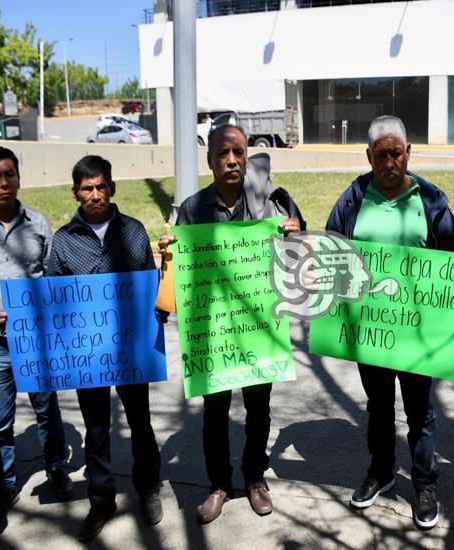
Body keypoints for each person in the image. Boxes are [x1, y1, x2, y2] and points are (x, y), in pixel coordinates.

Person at [325, 115, 454, 529]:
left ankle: (425, 483)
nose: (390, 162)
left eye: (397, 153)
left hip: (417, 331)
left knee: (419, 412)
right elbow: (331, 245)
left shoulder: (430, 199)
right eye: (381, 156)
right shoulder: (354, 197)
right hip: (370, 329)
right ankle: (380, 472)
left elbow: (453, 255)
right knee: (378, 407)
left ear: (409, 152)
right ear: (369, 157)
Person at [158, 122, 305, 524]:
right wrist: (169, 252)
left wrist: (295, 231)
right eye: (223, 153)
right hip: (215, 331)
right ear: (209, 160)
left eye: (238, 152)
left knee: (259, 408)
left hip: (258, 327)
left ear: (246, 156)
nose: (232, 160)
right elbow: (179, 277)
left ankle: (255, 479)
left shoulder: (269, 203)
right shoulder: (193, 209)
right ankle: (219, 484)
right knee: (215, 410)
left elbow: (296, 255)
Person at [47, 155, 163, 541]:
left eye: (100, 186)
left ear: (112, 188)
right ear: (75, 192)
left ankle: (149, 488)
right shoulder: (63, 241)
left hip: (130, 350)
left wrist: (156, 318)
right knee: (96, 430)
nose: (94, 194)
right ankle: (101, 501)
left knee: (140, 423)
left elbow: (149, 284)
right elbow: (54, 298)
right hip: (88, 353)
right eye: (87, 188)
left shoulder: (132, 231)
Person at [0, 146, 72, 531]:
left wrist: (29, 312)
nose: (5, 182)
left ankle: (57, 469)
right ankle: (3, 488)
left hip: (36, 342)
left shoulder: (39, 225)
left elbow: (53, 283)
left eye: (10, 174)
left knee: (48, 411)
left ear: (18, 177)